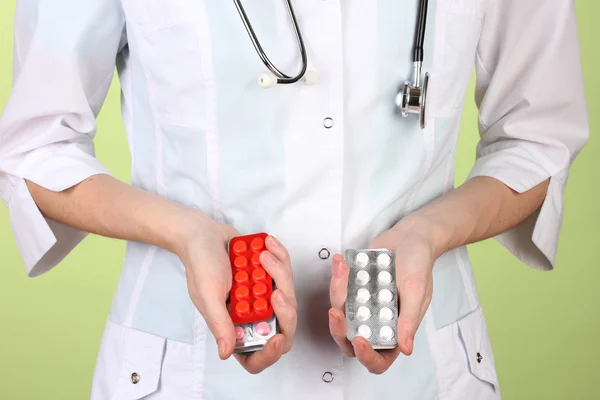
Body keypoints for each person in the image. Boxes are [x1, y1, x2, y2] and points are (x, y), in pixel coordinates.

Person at [0, 0, 588, 399]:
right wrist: (184, 233)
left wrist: (427, 233)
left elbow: (537, 135)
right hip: (189, 370)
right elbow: (37, 145)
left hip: (424, 370)